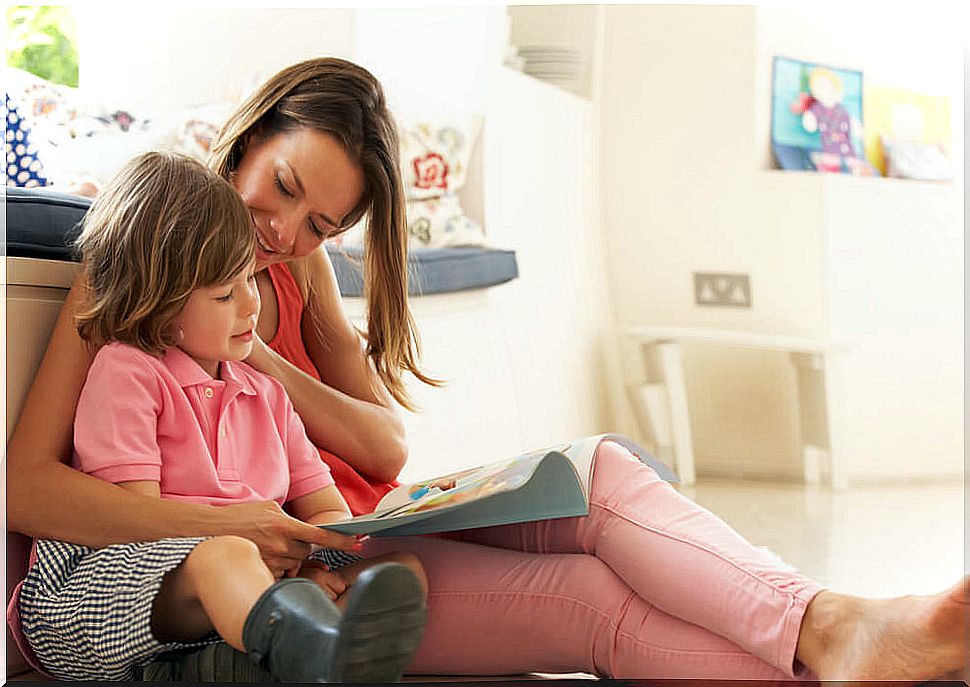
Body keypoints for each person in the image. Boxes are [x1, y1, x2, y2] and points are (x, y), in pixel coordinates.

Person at [7, 57, 967, 683]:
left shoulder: (288, 274)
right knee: (592, 602)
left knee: (600, 473)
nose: (284, 235)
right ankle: (840, 649)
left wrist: (259, 356)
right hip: (283, 560)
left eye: (323, 227)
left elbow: (382, 441)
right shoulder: (147, 258)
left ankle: (835, 624)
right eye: (284, 189)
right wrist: (260, 526)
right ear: (250, 136)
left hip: (348, 530)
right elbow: (28, 486)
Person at [8, 152, 428, 683]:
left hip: (234, 589)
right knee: (222, 556)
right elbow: (141, 527)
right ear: (159, 303)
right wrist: (257, 558)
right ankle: (304, 646)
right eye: (227, 294)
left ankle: (255, 660)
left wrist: (312, 562)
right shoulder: (129, 372)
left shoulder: (268, 395)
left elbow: (324, 511)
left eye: (250, 282)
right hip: (99, 594)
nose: (251, 306)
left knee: (401, 569)